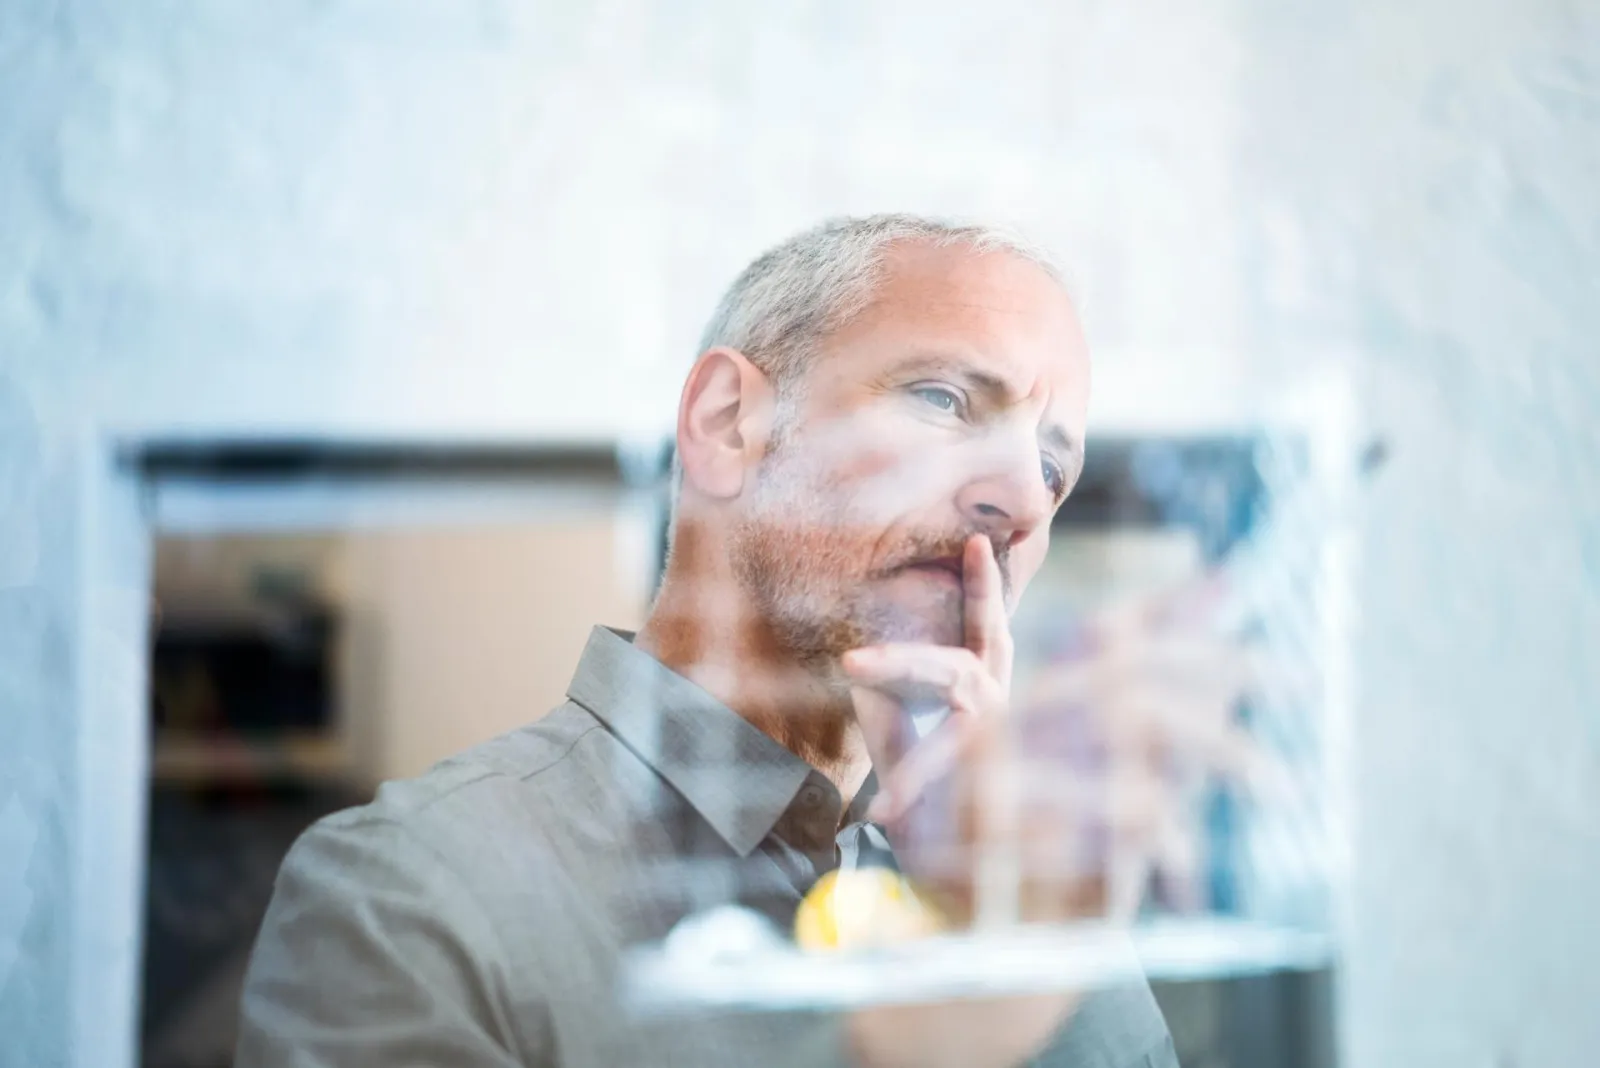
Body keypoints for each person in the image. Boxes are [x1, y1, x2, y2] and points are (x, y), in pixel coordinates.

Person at [238, 214, 1248, 1067]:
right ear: (727, 423)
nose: (1024, 499)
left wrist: (1026, 938)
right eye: (943, 400)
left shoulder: (1026, 896)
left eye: (1052, 465)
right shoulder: (409, 897)